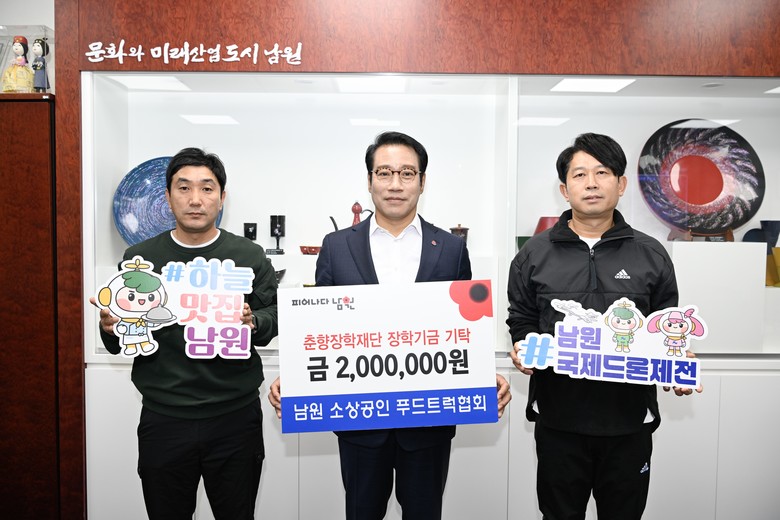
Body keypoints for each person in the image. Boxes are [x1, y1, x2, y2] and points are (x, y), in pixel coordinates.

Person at [269, 131, 511, 520]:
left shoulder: (451, 248)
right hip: (360, 420)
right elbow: (321, 327)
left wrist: (483, 374)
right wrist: (296, 378)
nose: (395, 184)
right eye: (384, 173)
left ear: (422, 181)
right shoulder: (336, 246)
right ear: (369, 181)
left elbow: (464, 327)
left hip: (429, 420)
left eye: (407, 173)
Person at [507, 132, 702, 520]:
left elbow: (667, 325)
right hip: (559, 421)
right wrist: (522, 347)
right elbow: (522, 319)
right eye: (579, 175)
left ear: (621, 184)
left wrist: (678, 359)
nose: (591, 183)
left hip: (629, 422)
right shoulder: (533, 254)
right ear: (564, 190)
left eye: (602, 172)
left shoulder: (651, 253)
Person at [90, 147, 278, 520]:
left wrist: (253, 320)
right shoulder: (140, 259)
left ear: (222, 197)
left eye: (207, 188)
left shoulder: (249, 255)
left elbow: (273, 315)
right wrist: (109, 327)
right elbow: (120, 340)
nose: (195, 199)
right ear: (167, 196)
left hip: (235, 417)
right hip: (165, 418)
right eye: (184, 187)